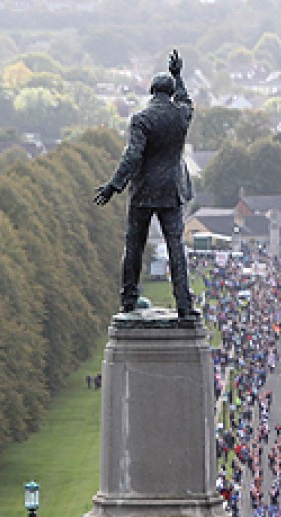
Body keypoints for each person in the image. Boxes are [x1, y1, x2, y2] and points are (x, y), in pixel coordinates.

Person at [94, 49, 198, 319]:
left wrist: (113, 185)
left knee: (134, 246)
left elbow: (132, 155)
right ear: (170, 91)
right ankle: (184, 305)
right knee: (176, 246)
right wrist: (179, 75)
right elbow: (186, 100)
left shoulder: (142, 119)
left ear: (151, 91)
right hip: (172, 189)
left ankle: (129, 300)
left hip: (144, 190)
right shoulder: (181, 116)